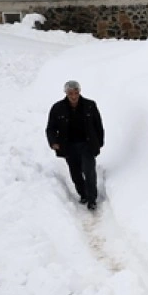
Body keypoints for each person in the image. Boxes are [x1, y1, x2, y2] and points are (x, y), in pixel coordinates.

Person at [46, 80, 104, 210]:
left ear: (79, 91)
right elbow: (50, 128)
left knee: (89, 171)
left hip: (87, 145)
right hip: (69, 147)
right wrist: (53, 142)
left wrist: (99, 142)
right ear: (66, 93)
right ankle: (83, 194)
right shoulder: (57, 108)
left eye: (76, 92)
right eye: (70, 93)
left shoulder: (90, 105)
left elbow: (98, 125)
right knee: (76, 173)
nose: (73, 96)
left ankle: (91, 199)